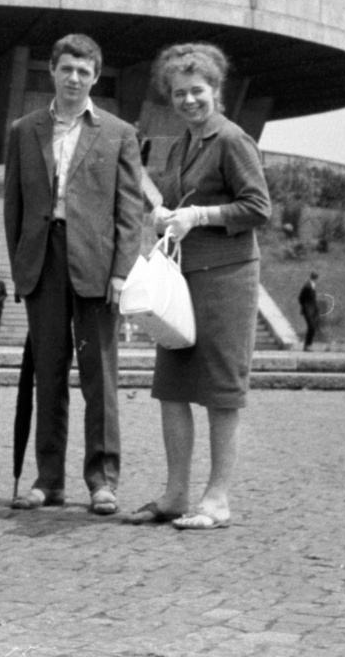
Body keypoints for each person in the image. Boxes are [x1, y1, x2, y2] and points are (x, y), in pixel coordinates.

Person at [124, 42, 271, 531]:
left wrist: (200, 215)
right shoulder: (182, 143)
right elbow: (173, 201)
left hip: (227, 279)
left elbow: (258, 207)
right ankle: (175, 493)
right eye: (180, 93)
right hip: (183, 281)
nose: (189, 100)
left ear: (216, 90)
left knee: (220, 391)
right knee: (172, 388)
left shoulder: (232, 140)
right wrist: (162, 211)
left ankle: (218, 498)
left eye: (198, 91)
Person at [3, 33, 144, 515]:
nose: (75, 78)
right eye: (67, 69)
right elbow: (15, 210)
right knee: (48, 374)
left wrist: (121, 271)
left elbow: (130, 212)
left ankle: (102, 480)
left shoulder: (118, 132)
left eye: (84, 71)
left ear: (95, 77)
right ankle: (49, 479)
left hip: (97, 266)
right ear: (52, 70)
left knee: (100, 378)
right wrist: (22, 267)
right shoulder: (25, 129)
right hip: (44, 262)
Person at [300, 272, 322, 349]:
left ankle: (307, 345)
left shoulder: (312, 285)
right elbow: (301, 298)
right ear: (316, 278)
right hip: (308, 310)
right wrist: (306, 307)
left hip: (312, 310)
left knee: (312, 327)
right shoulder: (307, 286)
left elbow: (313, 300)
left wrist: (316, 309)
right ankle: (308, 345)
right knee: (311, 327)